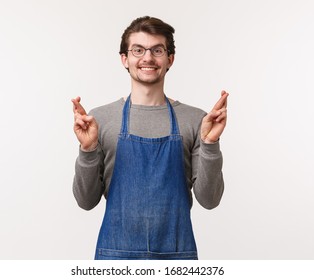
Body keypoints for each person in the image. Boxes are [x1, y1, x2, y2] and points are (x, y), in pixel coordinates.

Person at [71, 16, 228, 260]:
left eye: (157, 50)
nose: (147, 58)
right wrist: (88, 149)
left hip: (177, 259)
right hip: (116, 258)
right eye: (138, 50)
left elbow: (209, 200)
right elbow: (86, 201)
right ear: (125, 59)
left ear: (170, 59)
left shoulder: (195, 119)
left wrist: (210, 145)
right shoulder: (99, 119)